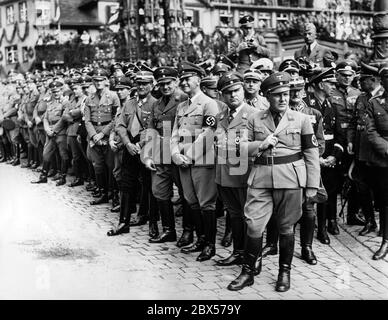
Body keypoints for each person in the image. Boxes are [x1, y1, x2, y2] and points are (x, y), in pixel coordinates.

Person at [227, 71, 320, 292]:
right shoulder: (253, 118)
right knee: (253, 224)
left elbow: (311, 154)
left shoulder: (302, 119)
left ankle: (284, 272)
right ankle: (248, 272)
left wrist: (312, 186)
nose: (283, 99)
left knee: (286, 228)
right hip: (260, 178)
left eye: (286, 94)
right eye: (277, 95)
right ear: (267, 96)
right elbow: (237, 148)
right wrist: (260, 145)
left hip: (291, 179)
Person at [171, 61, 219, 262]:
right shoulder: (182, 105)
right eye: (181, 79)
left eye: (187, 79)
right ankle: (200, 239)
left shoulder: (209, 103)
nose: (183, 83)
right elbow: (174, 133)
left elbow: (209, 132)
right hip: (183, 161)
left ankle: (210, 245)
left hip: (201, 161)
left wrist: (189, 156)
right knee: (191, 201)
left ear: (198, 80)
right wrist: (174, 154)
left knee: (206, 203)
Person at [142, 66, 190, 244]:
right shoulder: (156, 103)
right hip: (161, 154)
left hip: (179, 152)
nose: (165, 87)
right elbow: (151, 129)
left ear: (176, 81)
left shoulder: (184, 100)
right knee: (160, 191)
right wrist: (147, 155)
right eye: (161, 84)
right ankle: (169, 230)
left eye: (168, 83)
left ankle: (188, 230)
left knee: (186, 194)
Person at [214, 71, 257, 267]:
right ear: (222, 95)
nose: (233, 95)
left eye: (236, 90)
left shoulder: (254, 115)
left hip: (243, 175)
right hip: (224, 174)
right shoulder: (220, 115)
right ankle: (238, 252)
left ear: (242, 90)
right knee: (234, 215)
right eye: (228, 92)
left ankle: (252, 257)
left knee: (250, 217)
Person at [116, 70, 159, 239]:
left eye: (145, 84)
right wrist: (127, 144)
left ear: (152, 85)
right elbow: (120, 125)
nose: (141, 87)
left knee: (150, 185)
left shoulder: (155, 104)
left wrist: (139, 145)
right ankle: (123, 222)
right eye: (139, 84)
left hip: (147, 148)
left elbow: (154, 128)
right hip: (129, 147)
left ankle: (152, 222)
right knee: (127, 184)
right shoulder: (129, 104)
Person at [308, 67, 346, 244]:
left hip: (329, 158)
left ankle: (323, 227)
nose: (333, 86)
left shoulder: (332, 106)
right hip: (312, 157)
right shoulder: (307, 106)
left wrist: (334, 157)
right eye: (330, 83)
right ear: (320, 84)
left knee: (328, 192)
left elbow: (340, 135)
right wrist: (318, 158)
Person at [348, 63, 382, 236]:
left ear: (373, 80)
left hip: (378, 152)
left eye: (362, 79)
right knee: (362, 187)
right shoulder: (361, 98)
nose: (359, 82)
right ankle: (370, 221)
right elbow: (354, 122)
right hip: (361, 151)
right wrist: (350, 141)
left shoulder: (384, 97)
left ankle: (384, 227)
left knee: (381, 189)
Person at [331, 60, 364, 228]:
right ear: (336, 75)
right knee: (334, 179)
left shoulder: (358, 93)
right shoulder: (330, 92)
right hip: (337, 139)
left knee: (355, 178)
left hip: (353, 140)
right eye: (343, 75)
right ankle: (331, 219)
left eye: (350, 75)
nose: (347, 78)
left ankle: (352, 214)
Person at [84, 69, 120, 205]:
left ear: (106, 81)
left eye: (101, 80)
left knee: (111, 166)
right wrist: (94, 135)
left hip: (108, 133)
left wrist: (102, 134)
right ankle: (103, 193)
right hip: (93, 135)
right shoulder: (89, 98)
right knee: (97, 166)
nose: (98, 83)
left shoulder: (113, 96)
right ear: (93, 81)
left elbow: (115, 118)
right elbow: (87, 120)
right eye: (96, 80)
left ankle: (114, 194)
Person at [366, 62, 388, 260]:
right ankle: (385, 240)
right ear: (382, 80)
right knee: (384, 201)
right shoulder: (374, 103)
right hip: (383, 161)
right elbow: (370, 132)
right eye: (387, 77)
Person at [31, 80, 70, 186]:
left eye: (57, 91)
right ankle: (43, 176)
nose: (56, 93)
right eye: (53, 91)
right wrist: (47, 129)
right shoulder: (50, 103)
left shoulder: (66, 102)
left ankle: (62, 177)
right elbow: (45, 118)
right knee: (46, 153)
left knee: (63, 154)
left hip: (60, 132)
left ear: (61, 90)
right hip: (50, 132)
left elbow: (64, 118)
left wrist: (54, 130)